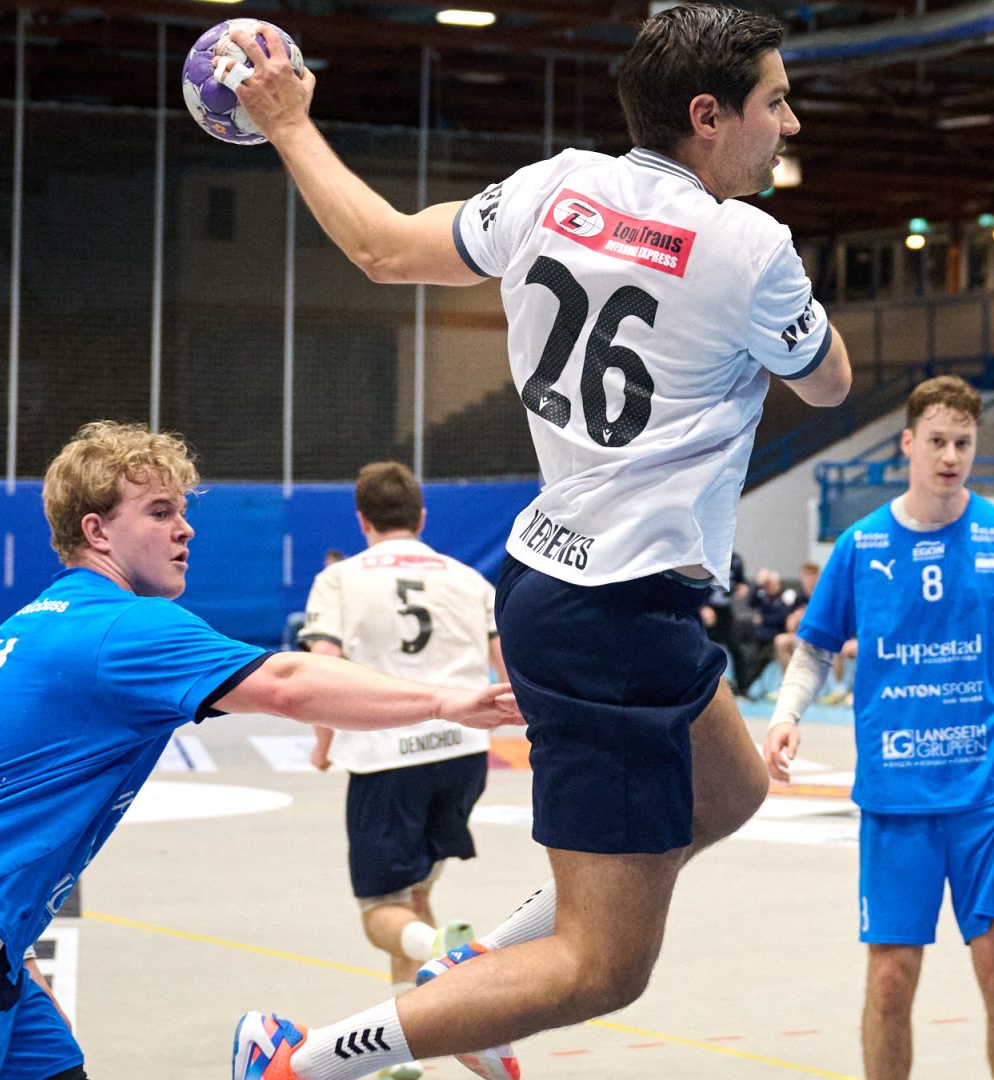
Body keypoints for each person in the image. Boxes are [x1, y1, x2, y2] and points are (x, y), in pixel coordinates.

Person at [224, 5, 854, 1078]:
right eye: (777, 102)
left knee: (733, 790)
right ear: (708, 116)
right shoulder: (752, 247)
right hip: (616, 616)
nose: (790, 126)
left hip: (567, 580)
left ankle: (470, 966)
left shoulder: (554, 187)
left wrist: (287, 124)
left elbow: (380, 247)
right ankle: (303, 1062)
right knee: (604, 968)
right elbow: (831, 382)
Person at [0, 421, 520, 1080]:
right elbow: (288, 683)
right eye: (158, 512)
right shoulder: (120, 626)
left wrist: (17, 953)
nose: (184, 529)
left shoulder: (31, 624)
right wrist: (448, 703)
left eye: (181, 511)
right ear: (96, 531)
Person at [762, 375, 994, 1080]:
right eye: (937, 441)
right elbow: (813, 649)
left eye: (963, 442)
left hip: (991, 799)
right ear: (907, 443)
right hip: (896, 798)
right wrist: (786, 715)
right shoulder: (860, 545)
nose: (950, 456)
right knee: (890, 986)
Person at [299, 462, 506, 1041]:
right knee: (414, 894)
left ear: (362, 520)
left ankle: (441, 949)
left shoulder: (340, 579)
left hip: (387, 757)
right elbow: (509, 666)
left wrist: (322, 743)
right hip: (463, 756)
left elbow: (321, 666)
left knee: (380, 912)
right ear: (421, 517)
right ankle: (411, 1043)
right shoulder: (468, 578)